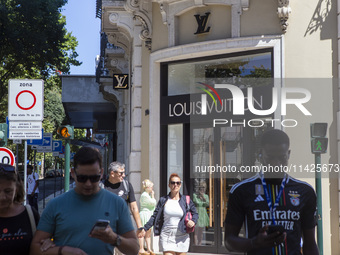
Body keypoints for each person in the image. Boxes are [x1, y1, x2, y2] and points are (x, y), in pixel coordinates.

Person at [224, 129, 319, 255]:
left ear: (288, 154)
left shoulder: (305, 191)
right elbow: (229, 242)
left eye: (282, 158)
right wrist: (254, 243)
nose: (276, 164)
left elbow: (310, 243)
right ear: (260, 154)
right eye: (270, 157)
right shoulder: (241, 190)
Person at [30, 147, 139, 255]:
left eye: (93, 178)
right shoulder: (55, 205)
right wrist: (62, 251)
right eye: (82, 178)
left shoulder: (117, 204)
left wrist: (115, 239)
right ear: (73, 173)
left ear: (101, 173)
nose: (88, 184)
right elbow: (35, 249)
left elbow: (134, 249)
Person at [137, 173, 198, 255]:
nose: (175, 185)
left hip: (182, 236)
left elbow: (195, 214)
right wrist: (145, 228)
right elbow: (154, 216)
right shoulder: (163, 200)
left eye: (178, 183)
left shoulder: (186, 200)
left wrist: (193, 221)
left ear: (180, 185)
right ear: (169, 185)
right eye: (173, 183)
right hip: (167, 235)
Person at [0, 163, 45, 254]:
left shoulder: (30, 214)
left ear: (16, 190)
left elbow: (42, 246)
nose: (2, 197)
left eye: (8, 191)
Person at [138, 179, 157, 255]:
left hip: (148, 214)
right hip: (144, 214)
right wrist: (153, 196)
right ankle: (141, 248)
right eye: (151, 187)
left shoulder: (146, 195)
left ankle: (149, 248)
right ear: (148, 187)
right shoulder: (144, 195)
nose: (152, 188)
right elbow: (153, 203)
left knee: (148, 233)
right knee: (142, 232)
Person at [193, 180, 209, 246]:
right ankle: (196, 245)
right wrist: (202, 202)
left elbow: (207, 204)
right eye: (201, 187)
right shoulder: (194, 195)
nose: (202, 189)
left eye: (203, 187)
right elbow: (197, 203)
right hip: (197, 213)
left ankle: (200, 244)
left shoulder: (206, 196)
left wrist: (203, 198)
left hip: (203, 214)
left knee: (201, 232)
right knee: (196, 232)